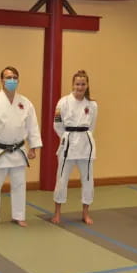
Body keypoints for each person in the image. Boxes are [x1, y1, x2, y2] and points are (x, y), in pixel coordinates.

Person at [0, 66, 42, 228]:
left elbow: (32, 126)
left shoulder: (25, 103)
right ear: (1, 80)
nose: (12, 80)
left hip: (18, 150)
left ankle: (19, 215)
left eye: (15, 77)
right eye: (8, 77)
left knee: (19, 185)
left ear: (18, 80)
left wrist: (33, 147)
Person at [51, 70, 97, 225]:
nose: (80, 87)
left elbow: (92, 125)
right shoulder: (63, 102)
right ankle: (57, 212)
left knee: (88, 180)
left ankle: (85, 212)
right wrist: (66, 137)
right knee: (62, 179)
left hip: (86, 145)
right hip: (68, 143)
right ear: (73, 84)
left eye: (83, 84)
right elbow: (57, 124)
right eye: (77, 84)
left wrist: (83, 137)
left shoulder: (92, 104)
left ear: (87, 85)